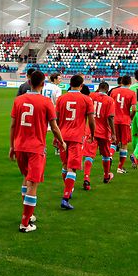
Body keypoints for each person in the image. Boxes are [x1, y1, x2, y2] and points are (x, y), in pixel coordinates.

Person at [10, 71, 65, 232]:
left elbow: (13, 125)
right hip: (36, 147)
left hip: (20, 146)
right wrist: (61, 142)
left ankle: (28, 214)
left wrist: (12, 146)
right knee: (33, 183)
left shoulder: (18, 100)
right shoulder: (46, 102)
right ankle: (25, 223)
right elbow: (54, 127)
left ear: (29, 82)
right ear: (43, 84)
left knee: (26, 178)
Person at [54, 75, 95, 210]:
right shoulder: (86, 99)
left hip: (62, 135)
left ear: (69, 84)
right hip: (77, 137)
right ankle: (66, 197)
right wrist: (92, 134)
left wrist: (56, 137)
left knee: (65, 164)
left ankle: (68, 189)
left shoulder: (61, 98)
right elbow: (91, 120)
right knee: (73, 167)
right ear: (81, 86)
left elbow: (56, 119)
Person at [83, 82, 116, 188]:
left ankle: (86, 178)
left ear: (98, 88)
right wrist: (113, 133)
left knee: (89, 155)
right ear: (107, 90)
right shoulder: (110, 100)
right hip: (104, 132)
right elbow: (110, 117)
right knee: (106, 155)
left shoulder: (91, 96)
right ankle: (106, 176)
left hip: (91, 130)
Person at [109, 75, 136, 174]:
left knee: (113, 141)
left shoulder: (114, 91)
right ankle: (120, 168)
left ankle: (110, 156)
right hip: (125, 120)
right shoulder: (132, 93)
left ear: (121, 82)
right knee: (124, 144)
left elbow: (109, 104)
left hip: (114, 120)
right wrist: (130, 118)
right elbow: (134, 109)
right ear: (130, 83)